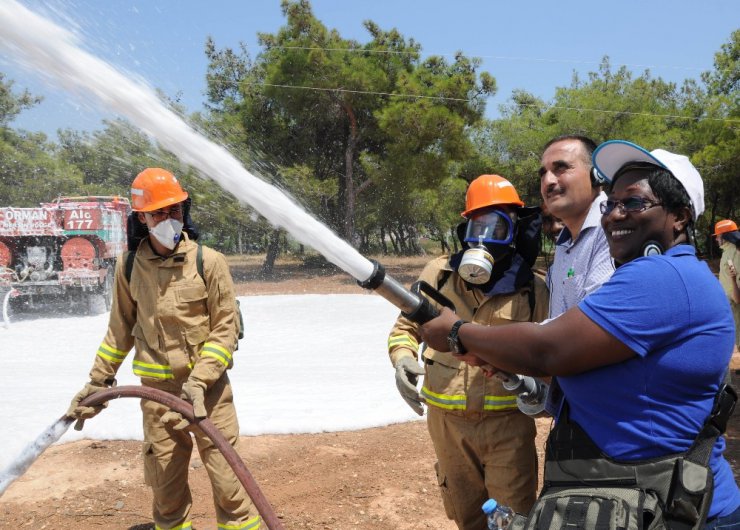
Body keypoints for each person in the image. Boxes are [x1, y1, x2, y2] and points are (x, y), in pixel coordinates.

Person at [420, 141, 740, 529]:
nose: (614, 215)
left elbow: (548, 349)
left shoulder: (662, 277)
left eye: (634, 203)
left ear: (679, 216)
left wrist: (457, 333)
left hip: (672, 511)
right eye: (611, 204)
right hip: (639, 501)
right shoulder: (647, 274)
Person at [66, 168, 261, 530]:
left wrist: (200, 380)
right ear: (141, 217)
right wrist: (97, 383)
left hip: (210, 398)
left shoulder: (209, 262)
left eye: (175, 210)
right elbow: (119, 332)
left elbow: (225, 330)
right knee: (167, 498)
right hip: (157, 399)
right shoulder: (127, 267)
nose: (169, 219)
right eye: (159, 212)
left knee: (231, 491)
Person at [387, 174, 549, 530]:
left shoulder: (533, 290)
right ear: (465, 229)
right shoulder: (439, 274)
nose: (485, 238)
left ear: (516, 230)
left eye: (498, 226)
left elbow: (547, 355)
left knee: (513, 519)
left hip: (508, 429)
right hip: (447, 427)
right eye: (479, 224)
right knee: (468, 517)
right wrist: (403, 360)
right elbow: (405, 329)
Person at [539, 135, 614, 318]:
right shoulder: (564, 243)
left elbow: (595, 323)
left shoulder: (613, 230)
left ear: (597, 176)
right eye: (543, 173)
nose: (548, 181)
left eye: (561, 168)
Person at [714, 219, 740, 351]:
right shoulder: (727, 252)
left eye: (718, 236)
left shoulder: (734, 253)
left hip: (735, 305)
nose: (716, 239)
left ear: (724, 236)